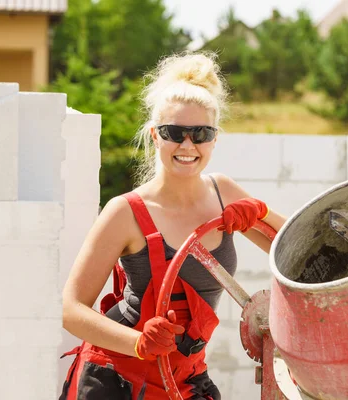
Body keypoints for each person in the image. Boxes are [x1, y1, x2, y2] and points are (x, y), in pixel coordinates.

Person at [59, 52, 286, 400]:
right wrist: (138, 343)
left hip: (185, 379)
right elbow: (71, 309)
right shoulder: (125, 212)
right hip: (115, 379)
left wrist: (262, 212)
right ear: (154, 136)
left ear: (215, 138)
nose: (187, 145)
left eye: (200, 133)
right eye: (174, 132)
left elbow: (295, 251)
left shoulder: (223, 193)